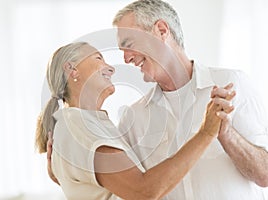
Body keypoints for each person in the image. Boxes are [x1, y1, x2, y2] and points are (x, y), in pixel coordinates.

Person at [36, 42, 235, 199]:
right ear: (72, 69)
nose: (111, 68)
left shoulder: (83, 124)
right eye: (98, 58)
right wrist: (206, 133)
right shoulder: (78, 125)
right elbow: (143, 191)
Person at [111, 0, 268, 199]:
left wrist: (228, 135)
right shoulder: (133, 119)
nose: (126, 59)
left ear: (161, 30)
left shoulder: (231, 84)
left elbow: (265, 174)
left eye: (129, 44)